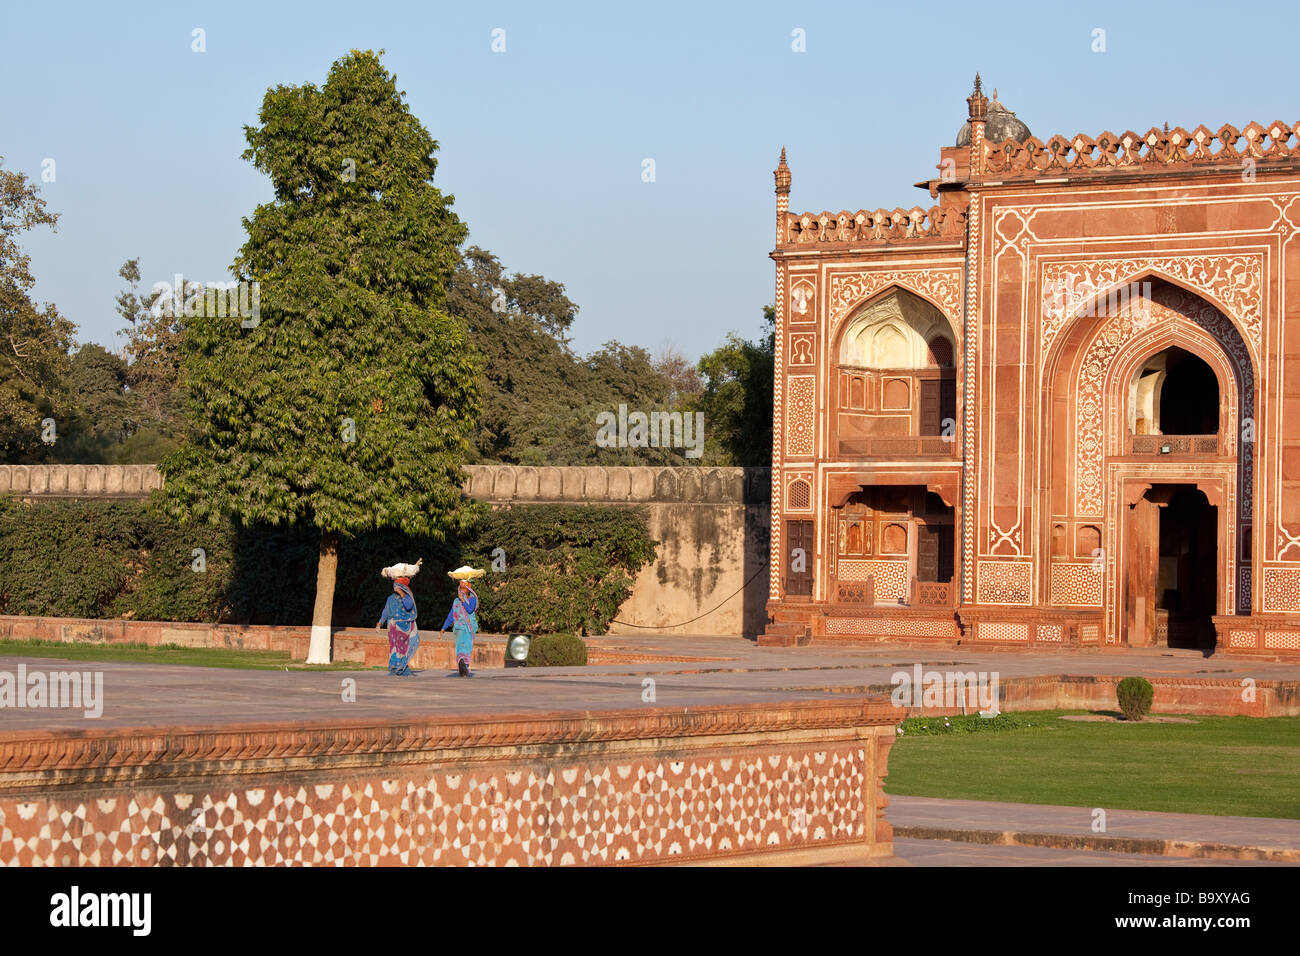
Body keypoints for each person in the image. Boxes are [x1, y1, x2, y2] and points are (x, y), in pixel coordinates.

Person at [378, 575, 419, 676]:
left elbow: (409, 607)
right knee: (394, 646)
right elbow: (386, 610)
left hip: (404, 626)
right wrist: (380, 621)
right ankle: (394, 667)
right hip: (392, 625)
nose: (396, 587)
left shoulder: (408, 597)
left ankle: (402, 667)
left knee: (403, 647)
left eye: (398, 585)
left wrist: (402, 594)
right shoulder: (390, 598)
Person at [441, 580, 478, 677]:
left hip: (468, 629)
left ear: (469, 589)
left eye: (464, 588)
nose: (462, 590)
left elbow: (470, 610)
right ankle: (463, 665)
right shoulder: (456, 601)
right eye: (461, 588)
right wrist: (444, 628)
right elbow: (451, 615)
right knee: (461, 648)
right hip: (458, 629)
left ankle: (464, 666)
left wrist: (463, 600)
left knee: (466, 648)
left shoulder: (473, 599)